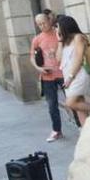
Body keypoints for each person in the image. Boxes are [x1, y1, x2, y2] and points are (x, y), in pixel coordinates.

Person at [56, 15, 90, 126]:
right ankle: (86, 132)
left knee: (70, 103)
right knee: (79, 106)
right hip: (68, 75)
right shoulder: (64, 41)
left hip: (78, 75)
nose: (56, 29)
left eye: (57, 26)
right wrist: (59, 41)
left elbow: (78, 58)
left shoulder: (79, 37)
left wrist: (70, 77)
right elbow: (58, 59)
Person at [31, 10, 65, 142]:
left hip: (62, 73)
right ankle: (57, 130)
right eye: (39, 24)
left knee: (72, 100)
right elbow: (32, 56)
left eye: (44, 22)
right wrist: (39, 68)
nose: (42, 26)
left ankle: (81, 126)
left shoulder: (59, 34)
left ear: (49, 21)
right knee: (52, 105)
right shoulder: (37, 39)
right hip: (47, 76)